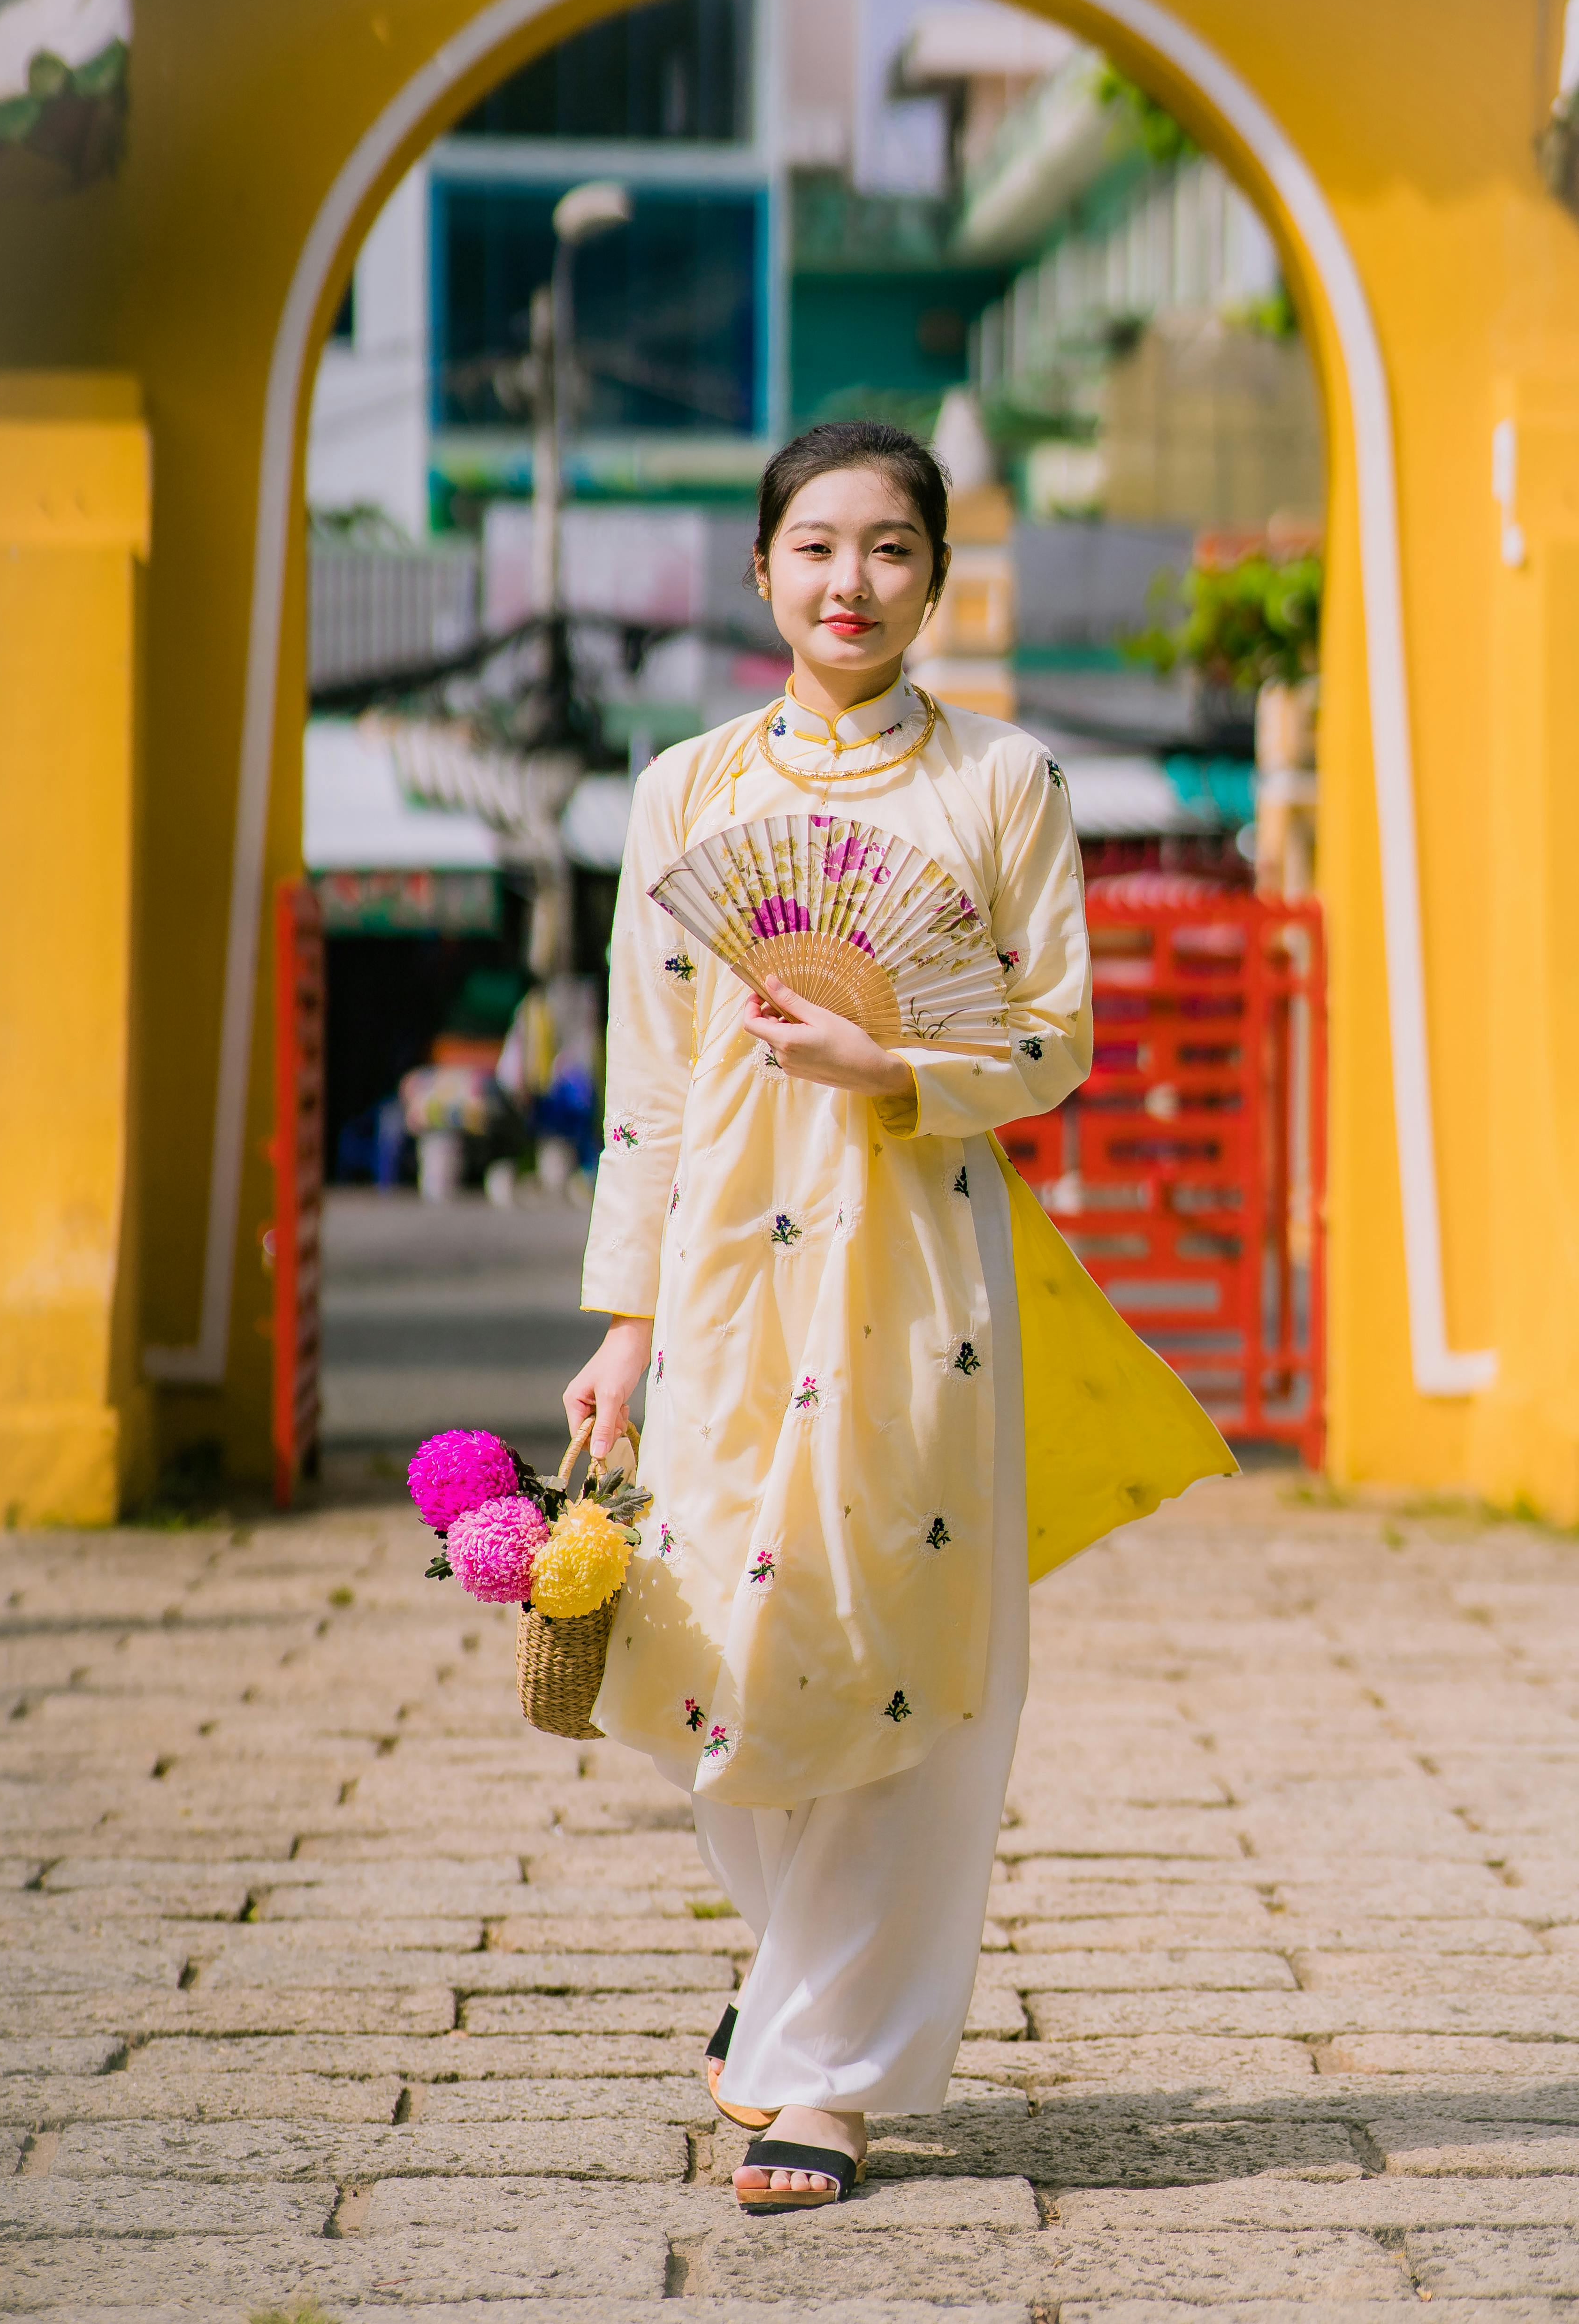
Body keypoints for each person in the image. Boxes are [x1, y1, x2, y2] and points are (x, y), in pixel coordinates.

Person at [563, 419, 1228, 2216]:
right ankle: (795, 1978)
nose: (851, 584)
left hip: (922, 1263)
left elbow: (1057, 1041)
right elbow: (643, 1074)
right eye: (817, 549)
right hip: (718, 1266)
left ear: (937, 578)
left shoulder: (1003, 785)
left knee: (901, 1636)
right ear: (764, 572)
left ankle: (828, 2080)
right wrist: (621, 1321)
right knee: (709, 1642)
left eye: (891, 552)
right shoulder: (686, 792)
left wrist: (896, 1059)